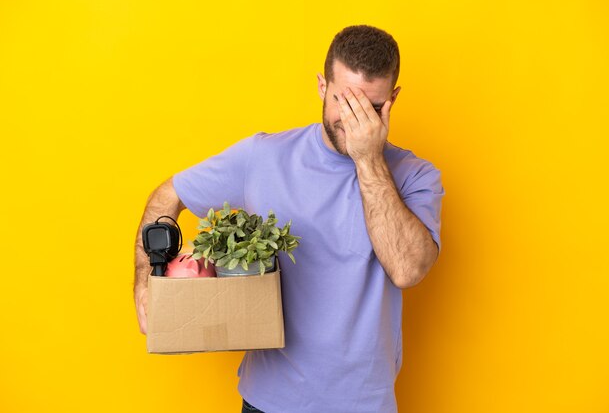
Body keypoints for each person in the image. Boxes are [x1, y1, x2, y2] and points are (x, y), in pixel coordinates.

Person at [134, 25, 444, 413]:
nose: (354, 121)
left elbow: (407, 270)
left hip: (363, 403)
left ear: (393, 99)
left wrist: (368, 158)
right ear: (321, 86)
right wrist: (147, 283)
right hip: (269, 401)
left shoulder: (417, 175)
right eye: (344, 102)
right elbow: (168, 195)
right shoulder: (263, 157)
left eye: (373, 108)